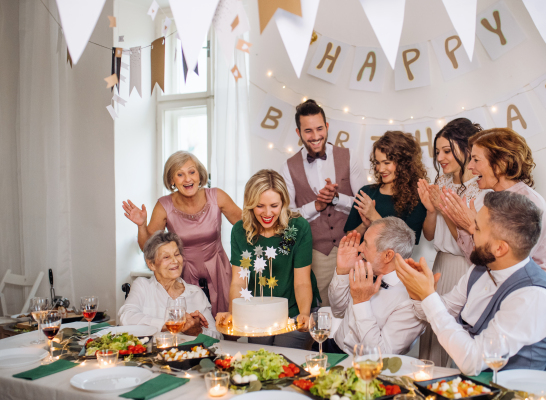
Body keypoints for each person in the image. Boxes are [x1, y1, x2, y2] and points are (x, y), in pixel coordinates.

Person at [395, 191, 546, 375]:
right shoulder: (481, 270)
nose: (470, 232)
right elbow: (441, 310)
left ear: (500, 248)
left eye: (477, 229)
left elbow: (472, 361)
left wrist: (429, 296)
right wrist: (419, 294)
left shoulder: (533, 296)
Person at [122, 151, 242, 316]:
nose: (188, 179)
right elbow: (147, 248)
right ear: (172, 180)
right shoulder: (164, 205)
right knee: (190, 327)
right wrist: (142, 225)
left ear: (200, 174)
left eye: (192, 172)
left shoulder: (217, 196)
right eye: (180, 174)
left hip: (219, 271)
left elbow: (247, 226)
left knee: (227, 325)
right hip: (184, 275)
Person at [216, 169, 321, 349]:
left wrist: (304, 313)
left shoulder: (297, 227)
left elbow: (302, 283)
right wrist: (233, 312)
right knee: (260, 356)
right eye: (259, 206)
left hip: (295, 309)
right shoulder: (240, 231)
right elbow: (239, 282)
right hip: (258, 311)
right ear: (250, 204)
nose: (267, 213)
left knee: (283, 355)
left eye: (274, 205)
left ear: (283, 203)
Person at [416, 118, 488, 366]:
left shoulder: (480, 189)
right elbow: (428, 235)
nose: (440, 157)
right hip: (440, 265)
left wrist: (445, 209)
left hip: (465, 268)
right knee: (434, 330)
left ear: (466, 149)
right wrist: (431, 210)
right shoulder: (442, 182)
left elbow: (468, 244)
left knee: (455, 332)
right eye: (437, 152)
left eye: (447, 151)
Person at [281, 100, 367, 307]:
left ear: (327, 127)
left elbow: (365, 204)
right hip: (316, 252)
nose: (315, 136)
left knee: (355, 307)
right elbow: (286, 217)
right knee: (321, 311)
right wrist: (316, 206)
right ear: (298, 132)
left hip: (353, 246)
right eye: (308, 131)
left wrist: (336, 199)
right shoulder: (288, 167)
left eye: (319, 128)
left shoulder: (349, 157)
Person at [439, 128, 546, 277]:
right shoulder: (491, 199)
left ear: (501, 163)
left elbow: (507, 263)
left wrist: (472, 227)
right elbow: (475, 261)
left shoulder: (529, 202)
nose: (469, 166)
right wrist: (467, 227)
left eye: (476, 160)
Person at [324, 217, 426, 355]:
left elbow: (380, 355)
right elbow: (338, 310)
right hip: (332, 347)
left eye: (365, 244)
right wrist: (343, 271)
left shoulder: (412, 301)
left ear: (388, 255)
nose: (359, 248)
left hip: (366, 367)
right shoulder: (365, 269)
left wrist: (361, 302)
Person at [119, 231, 222, 339]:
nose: (175, 261)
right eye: (166, 257)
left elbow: (218, 337)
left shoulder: (196, 293)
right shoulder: (143, 286)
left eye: (177, 254)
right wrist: (174, 323)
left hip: (188, 354)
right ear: (151, 264)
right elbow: (126, 317)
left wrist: (197, 331)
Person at [344, 131, 427, 244]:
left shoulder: (415, 198)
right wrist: (364, 225)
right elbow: (349, 238)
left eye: (386, 163)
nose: (380, 169)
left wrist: (374, 217)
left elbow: (407, 242)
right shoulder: (366, 192)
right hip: (361, 261)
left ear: (404, 163)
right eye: (378, 163)